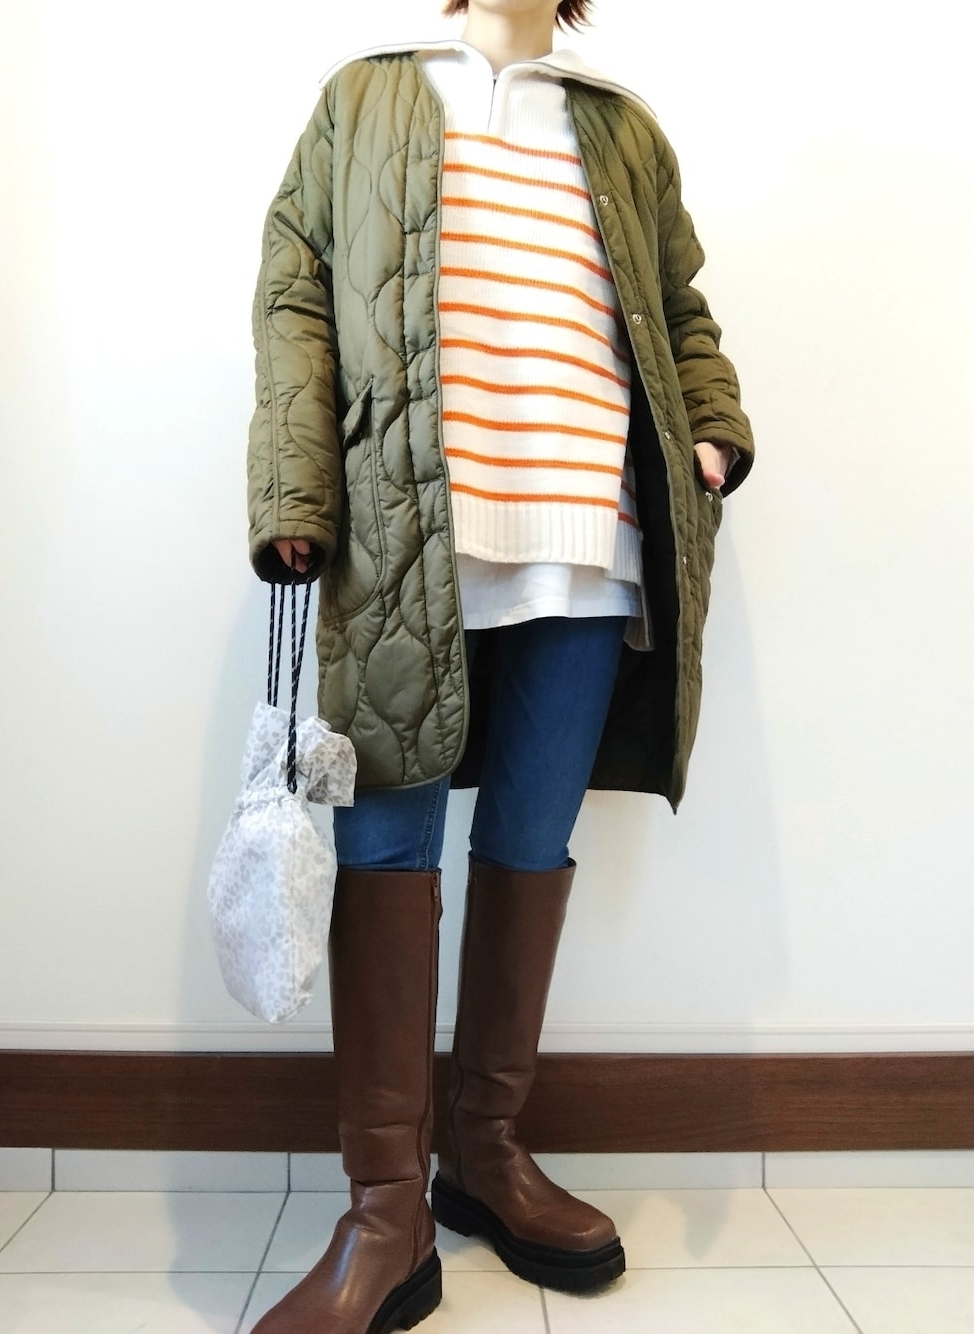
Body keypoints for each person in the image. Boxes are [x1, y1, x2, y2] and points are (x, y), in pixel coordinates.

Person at [246, 0, 754, 1328]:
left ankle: (484, 1151)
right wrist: (294, 492)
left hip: (592, 540)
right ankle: (383, 1212)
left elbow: (680, 309)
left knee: (532, 840)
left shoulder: (619, 125)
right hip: (407, 540)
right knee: (385, 848)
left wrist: (713, 428)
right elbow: (295, 294)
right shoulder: (366, 96)